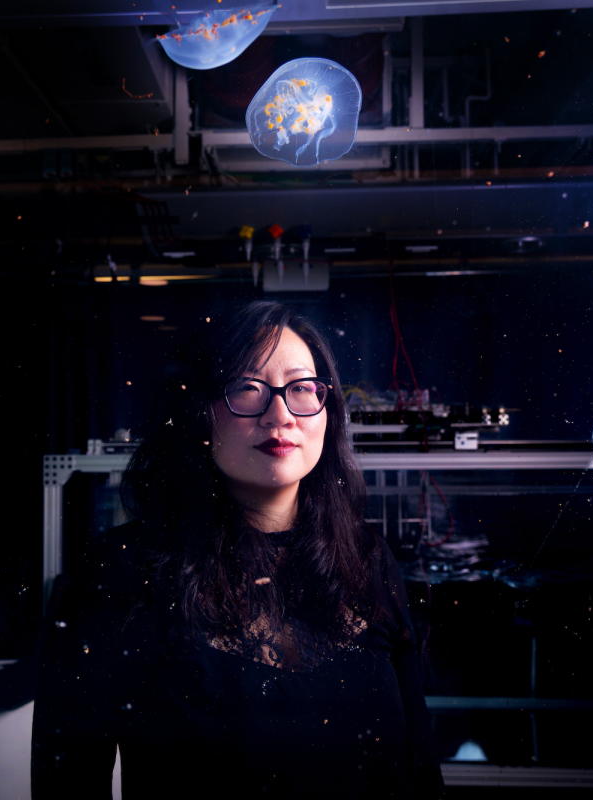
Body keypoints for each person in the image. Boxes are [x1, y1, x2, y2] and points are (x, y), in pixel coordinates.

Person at [32, 301, 443, 799]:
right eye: (247, 388)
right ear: (198, 412)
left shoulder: (367, 558)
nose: (281, 415)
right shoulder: (118, 570)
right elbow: (68, 783)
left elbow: (420, 771)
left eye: (301, 389)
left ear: (327, 410)